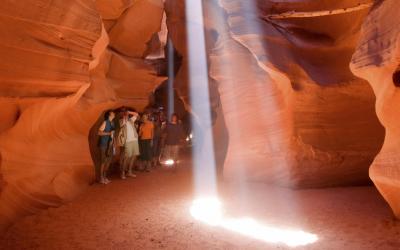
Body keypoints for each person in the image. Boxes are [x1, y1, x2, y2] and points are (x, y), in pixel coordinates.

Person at [118, 110, 140, 179]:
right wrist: (124, 115)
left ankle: (129, 172)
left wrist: (129, 112)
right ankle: (123, 173)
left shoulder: (130, 120)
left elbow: (136, 114)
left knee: (133, 156)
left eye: (127, 115)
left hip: (134, 140)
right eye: (125, 115)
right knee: (126, 158)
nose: (126, 116)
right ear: (123, 115)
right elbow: (122, 123)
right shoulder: (122, 121)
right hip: (128, 141)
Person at [98, 110, 115, 184]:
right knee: (103, 161)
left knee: (108, 161)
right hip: (104, 144)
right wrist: (108, 133)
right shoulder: (105, 122)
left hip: (110, 144)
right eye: (112, 113)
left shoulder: (112, 123)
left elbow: (113, 134)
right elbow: (99, 132)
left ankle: (105, 177)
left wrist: (114, 143)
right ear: (109, 115)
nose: (114, 113)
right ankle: (101, 178)